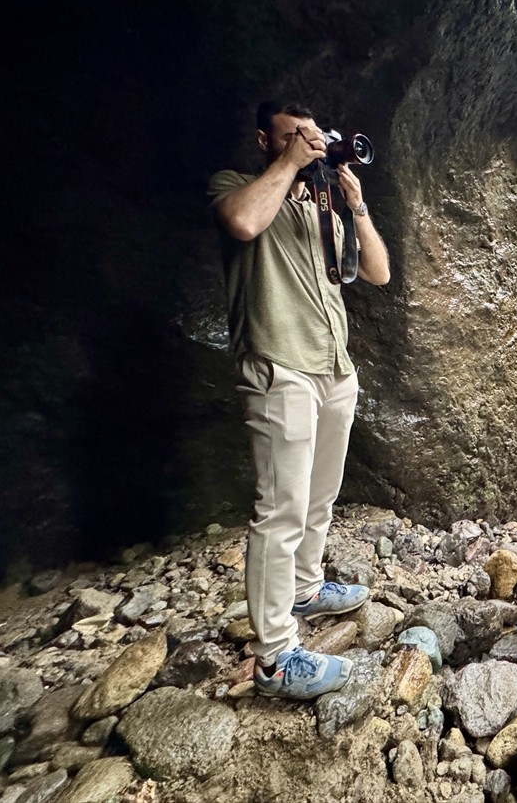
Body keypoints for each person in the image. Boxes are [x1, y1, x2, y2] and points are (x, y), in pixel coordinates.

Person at [207, 101, 391, 700]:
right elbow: (241, 223)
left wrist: (354, 202)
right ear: (266, 140)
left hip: (334, 367)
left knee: (320, 495)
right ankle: (275, 659)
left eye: (315, 138)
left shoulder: (325, 209)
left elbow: (379, 273)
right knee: (280, 510)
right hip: (277, 365)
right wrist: (290, 163)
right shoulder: (237, 186)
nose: (309, 147)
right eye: (294, 138)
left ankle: (307, 588)